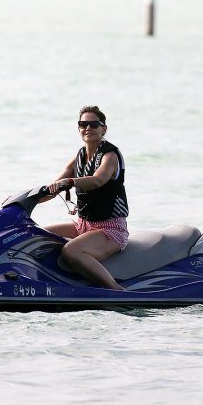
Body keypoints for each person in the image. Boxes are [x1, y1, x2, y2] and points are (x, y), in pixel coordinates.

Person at [41, 105, 129, 290]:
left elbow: (98, 180)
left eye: (93, 124)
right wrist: (23, 200)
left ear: (103, 128)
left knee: (71, 250)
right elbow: (53, 189)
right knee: (37, 235)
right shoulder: (78, 157)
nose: (88, 128)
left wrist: (71, 182)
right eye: (83, 124)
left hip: (110, 229)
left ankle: (116, 290)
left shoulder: (110, 156)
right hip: (83, 225)